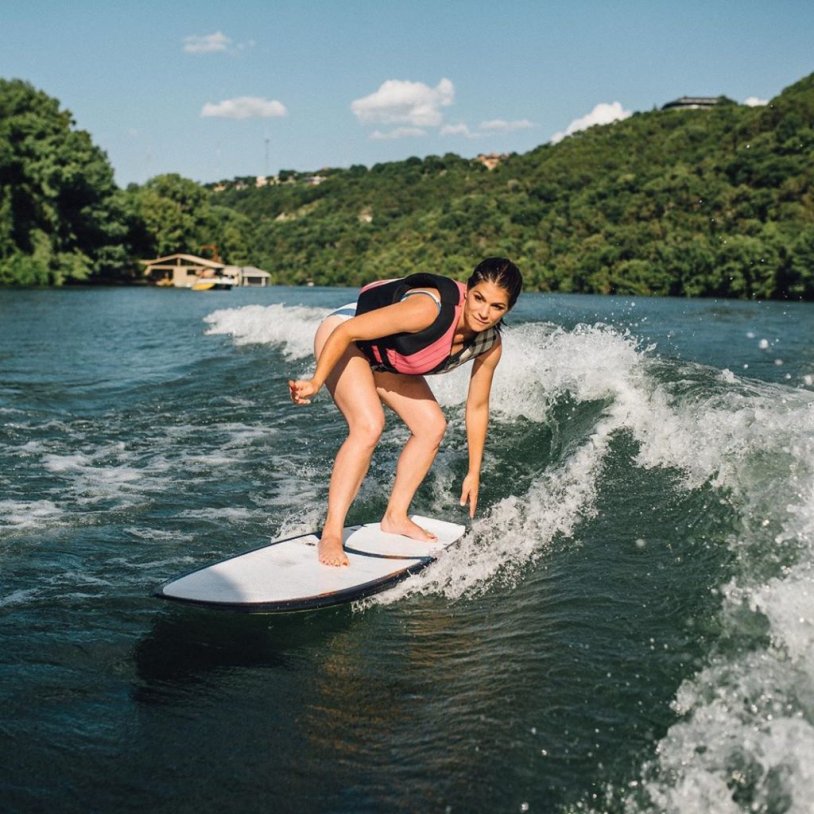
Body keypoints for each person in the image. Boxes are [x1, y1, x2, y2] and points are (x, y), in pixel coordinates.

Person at [288, 257, 522, 566]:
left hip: (387, 355)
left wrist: (473, 471)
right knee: (369, 425)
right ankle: (331, 533)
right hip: (346, 335)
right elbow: (347, 332)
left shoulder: (488, 345)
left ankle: (395, 516)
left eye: (497, 306)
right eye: (479, 298)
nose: (484, 312)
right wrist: (316, 381)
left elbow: (477, 406)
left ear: (508, 309)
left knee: (432, 426)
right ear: (468, 290)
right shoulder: (427, 310)